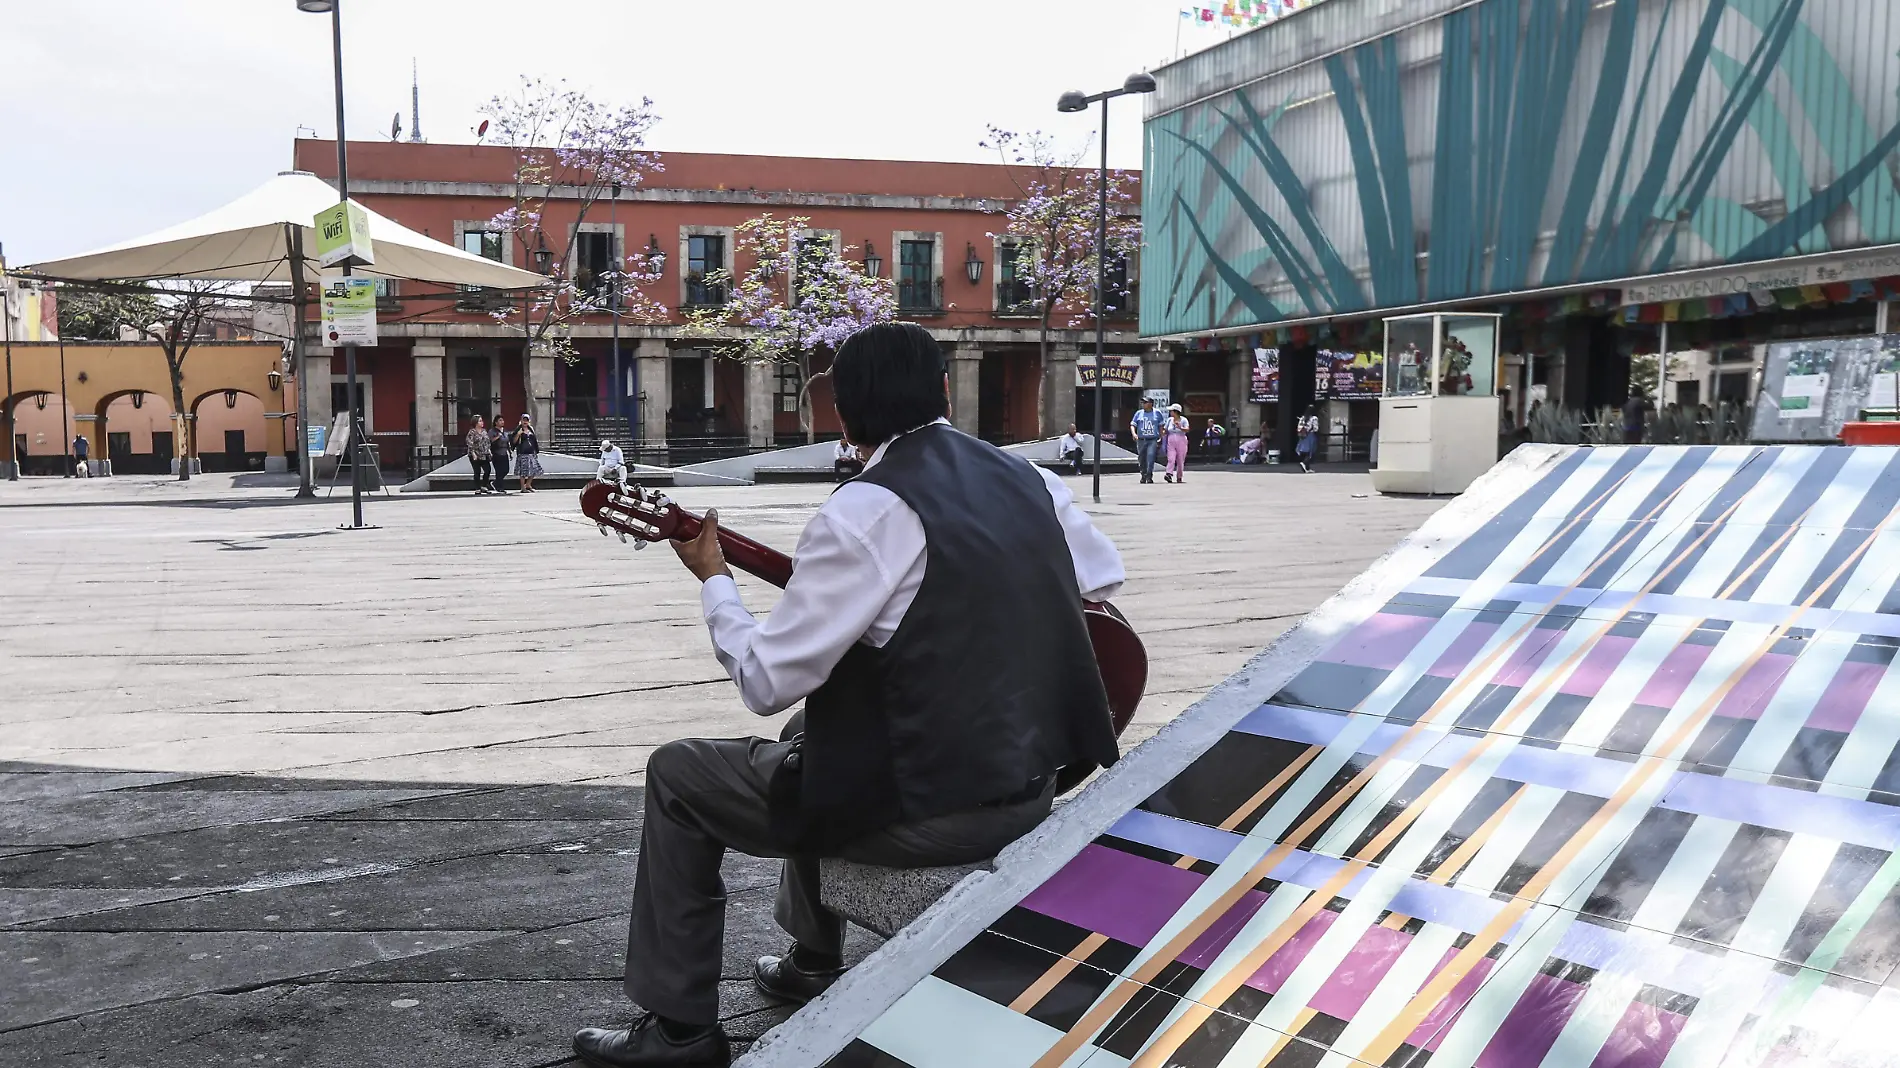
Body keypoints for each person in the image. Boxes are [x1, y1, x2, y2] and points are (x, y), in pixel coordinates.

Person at [572, 322, 1123, 1068]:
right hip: (1031, 781)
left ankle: (678, 1031)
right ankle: (809, 959)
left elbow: (765, 680)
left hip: (936, 810)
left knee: (682, 772)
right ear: (941, 392)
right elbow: (1099, 585)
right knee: (819, 723)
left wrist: (714, 581)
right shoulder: (1030, 478)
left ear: (845, 412)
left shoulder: (865, 510)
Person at [1129, 396, 1164, 484]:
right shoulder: (1139, 413)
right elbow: (1133, 424)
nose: (1143, 404)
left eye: (1145, 403)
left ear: (1150, 404)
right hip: (1141, 439)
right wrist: (1134, 434)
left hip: (1152, 439)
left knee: (1151, 456)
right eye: (1142, 403)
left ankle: (1149, 475)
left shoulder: (1157, 413)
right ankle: (1143, 475)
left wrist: (1161, 436)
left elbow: (1161, 425)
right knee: (1141, 458)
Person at [512, 415, 543, 492]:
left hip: (531, 453)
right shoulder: (518, 430)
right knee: (523, 471)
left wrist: (536, 450)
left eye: (527, 420)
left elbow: (534, 441)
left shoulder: (531, 429)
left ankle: (528, 484)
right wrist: (519, 434)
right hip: (523, 453)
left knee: (534, 469)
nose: (525, 422)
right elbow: (514, 442)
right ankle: (523, 487)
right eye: (524, 420)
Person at [1161, 403, 1190, 484]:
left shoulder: (1183, 420)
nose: (1170, 412)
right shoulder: (1169, 420)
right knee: (1171, 458)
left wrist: (1180, 427)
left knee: (1180, 460)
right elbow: (1166, 429)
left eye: (1172, 411)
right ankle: (1169, 474)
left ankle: (1179, 476)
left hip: (1181, 439)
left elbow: (1187, 429)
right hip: (1171, 439)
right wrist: (1162, 433)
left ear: (1176, 412)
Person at [466, 417, 493, 495]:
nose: (482, 422)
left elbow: (487, 442)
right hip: (475, 454)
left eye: (482, 420)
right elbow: (469, 443)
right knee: (477, 471)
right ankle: (477, 488)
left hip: (484, 454)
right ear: (476, 423)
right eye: (480, 421)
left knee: (487, 469)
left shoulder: (484, 431)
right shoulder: (472, 432)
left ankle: (484, 485)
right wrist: (473, 453)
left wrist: (489, 451)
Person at [488, 414, 512, 494]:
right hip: (496, 453)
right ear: (496, 422)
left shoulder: (505, 431)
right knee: (499, 471)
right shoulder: (492, 431)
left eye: (502, 420)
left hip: (504, 453)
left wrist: (510, 452)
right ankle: (500, 487)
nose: (502, 422)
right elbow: (489, 441)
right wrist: (497, 437)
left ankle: (495, 483)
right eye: (500, 420)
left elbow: (507, 442)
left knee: (506, 470)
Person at [1295, 406, 1320, 473]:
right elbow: (1316, 428)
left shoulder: (1302, 418)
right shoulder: (1314, 418)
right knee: (1311, 451)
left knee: (1304, 451)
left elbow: (1298, 427)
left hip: (1303, 436)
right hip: (1310, 435)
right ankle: (1304, 463)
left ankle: (1307, 468)